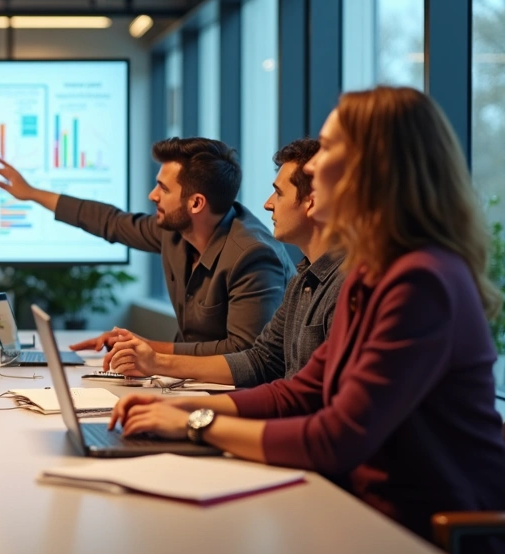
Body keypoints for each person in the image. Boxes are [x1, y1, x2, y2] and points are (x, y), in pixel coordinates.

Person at [108, 87, 505, 554]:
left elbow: (337, 438)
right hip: (363, 512)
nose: (309, 168)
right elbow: (301, 389)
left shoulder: (421, 281)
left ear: (372, 168)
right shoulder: (373, 272)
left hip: (426, 535)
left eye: (328, 149)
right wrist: (178, 411)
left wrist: (196, 423)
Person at [0, 137, 295, 356]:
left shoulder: (253, 256)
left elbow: (243, 352)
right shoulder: (177, 233)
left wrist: (146, 347)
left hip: (237, 397)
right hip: (190, 384)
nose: (153, 195)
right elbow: (110, 222)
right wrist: (31, 193)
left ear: (196, 203)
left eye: (163, 188)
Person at [101, 139, 345, 387]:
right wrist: (155, 364)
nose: (268, 203)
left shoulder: (342, 287)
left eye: (279, 193)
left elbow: (308, 398)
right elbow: (260, 361)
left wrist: (157, 360)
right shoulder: (304, 280)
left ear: (312, 202)